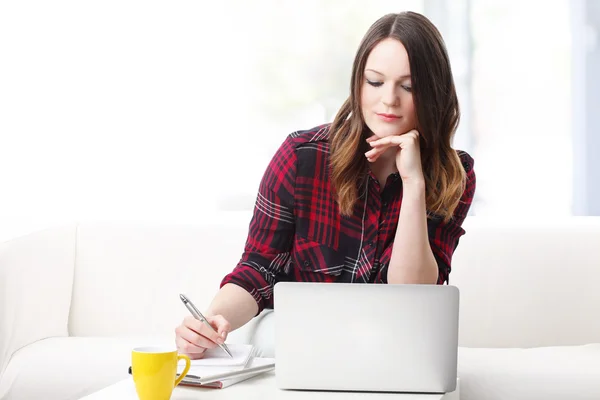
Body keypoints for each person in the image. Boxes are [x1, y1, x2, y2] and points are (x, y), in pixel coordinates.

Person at [175, 11, 476, 359]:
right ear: (358, 84)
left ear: (434, 92)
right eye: (375, 82)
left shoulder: (454, 173)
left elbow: (413, 295)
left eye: (408, 87)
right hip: (306, 349)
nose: (389, 99)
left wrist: (413, 183)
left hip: (393, 351)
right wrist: (213, 322)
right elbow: (259, 268)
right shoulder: (302, 156)